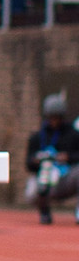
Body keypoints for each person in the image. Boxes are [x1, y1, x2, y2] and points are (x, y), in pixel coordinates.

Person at [24, 93, 79, 225]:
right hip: (46, 178)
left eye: (57, 117)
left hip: (65, 178)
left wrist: (67, 157)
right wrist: (37, 161)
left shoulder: (73, 134)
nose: (54, 121)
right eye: (51, 117)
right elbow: (28, 163)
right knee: (32, 190)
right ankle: (44, 212)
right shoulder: (37, 137)